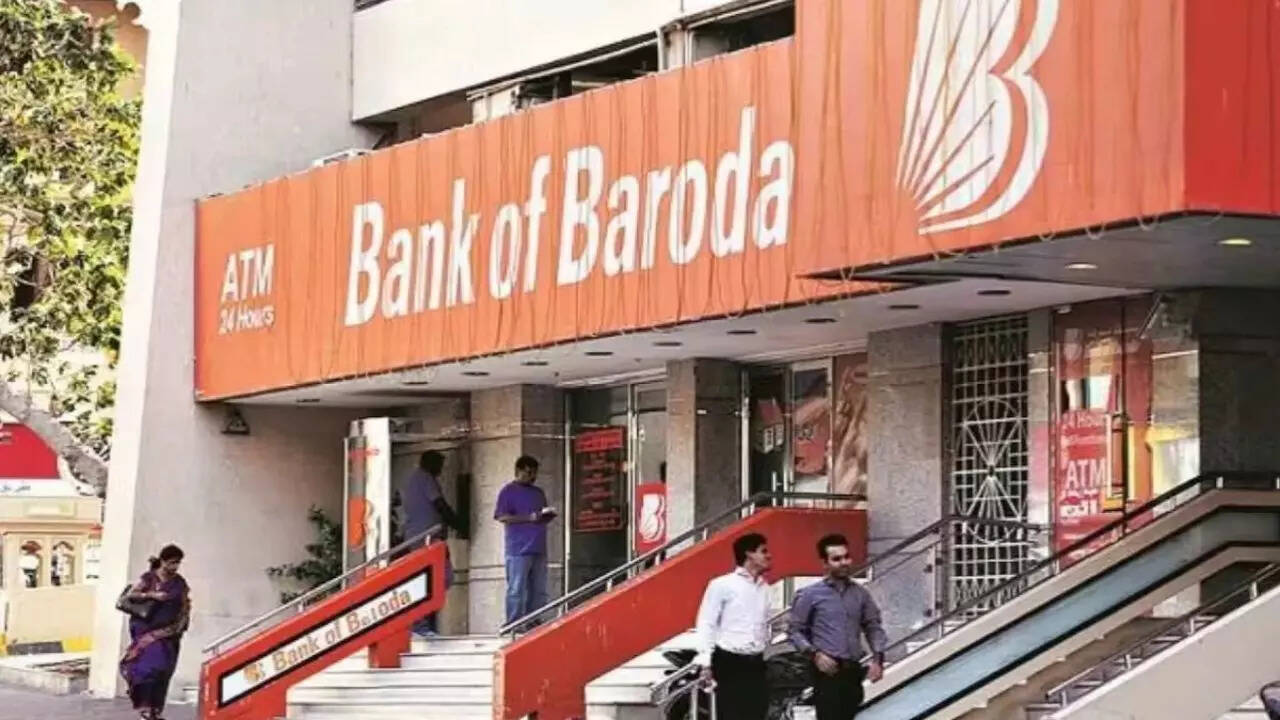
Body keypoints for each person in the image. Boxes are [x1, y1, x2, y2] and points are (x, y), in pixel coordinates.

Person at [788, 534, 888, 720]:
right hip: (827, 671)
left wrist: (878, 659)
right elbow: (795, 631)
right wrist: (815, 654)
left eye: (846, 557)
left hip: (853, 672)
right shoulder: (810, 595)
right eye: (836, 559)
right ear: (825, 563)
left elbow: (873, 626)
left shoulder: (860, 594)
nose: (844, 562)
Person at [692, 532, 773, 720]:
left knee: (757, 713)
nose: (769, 556)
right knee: (731, 714)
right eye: (763, 551)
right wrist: (705, 662)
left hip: (756, 662)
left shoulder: (765, 588)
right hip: (730, 661)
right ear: (749, 554)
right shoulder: (722, 585)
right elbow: (706, 623)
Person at [120, 544, 190, 720]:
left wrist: (180, 626)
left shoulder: (179, 582)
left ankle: (156, 711)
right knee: (148, 669)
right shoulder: (149, 578)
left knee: (164, 673)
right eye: (172, 562)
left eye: (178, 563)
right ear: (163, 561)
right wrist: (152, 595)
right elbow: (131, 595)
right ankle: (145, 709)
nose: (175, 566)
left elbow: (185, 605)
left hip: (169, 634)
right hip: (147, 633)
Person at [403, 450, 464, 636]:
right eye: (439, 465)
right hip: (426, 538)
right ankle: (419, 624)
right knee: (437, 578)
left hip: (425, 537)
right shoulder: (425, 478)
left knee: (437, 579)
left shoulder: (415, 479)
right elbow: (440, 504)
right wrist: (458, 523)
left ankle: (423, 623)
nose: (441, 470)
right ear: (430, 464)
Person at [494, 455, 556, 626]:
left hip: (538, 546)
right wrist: (528, 518)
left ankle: (534, 620)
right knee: (516, 588)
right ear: (518, 471)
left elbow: (541, 514)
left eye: (535, 473)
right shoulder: (508, 491)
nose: (532, 477)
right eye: (528, 473)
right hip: (518, 548)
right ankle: (513, 622)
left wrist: (545, 516)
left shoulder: (538, 493)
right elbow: (502, 516)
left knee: (538, 589)